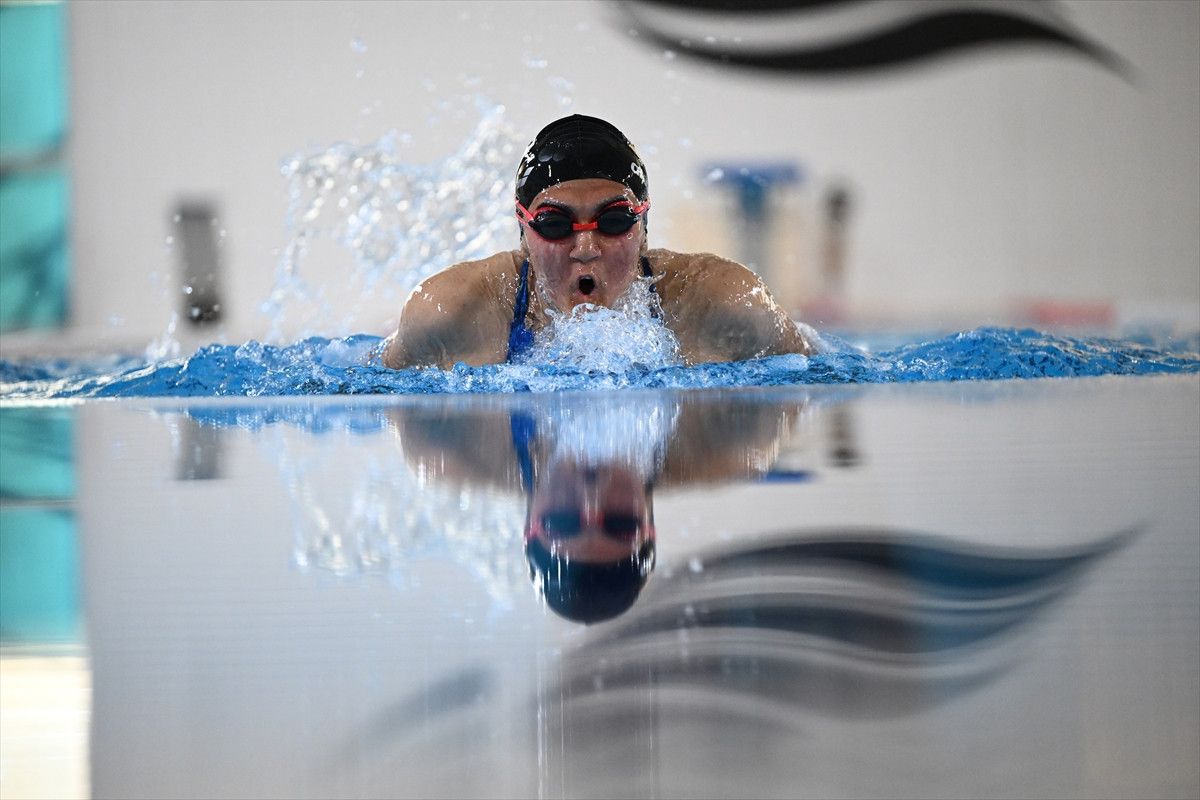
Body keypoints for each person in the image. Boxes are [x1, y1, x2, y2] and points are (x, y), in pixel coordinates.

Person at [382, 114, 816, 369]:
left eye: (613, 220)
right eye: (555, 224)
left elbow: (819, 366)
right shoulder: (449, 314)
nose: (586, 248)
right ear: (524, 232)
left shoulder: (723, 303)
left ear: (643, 227)